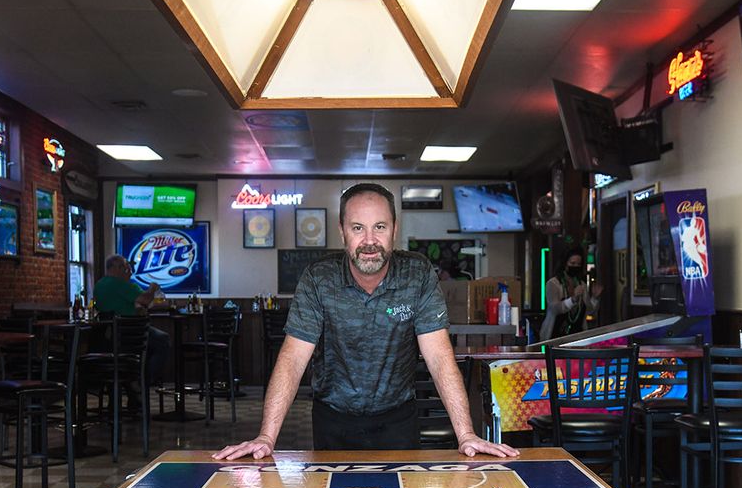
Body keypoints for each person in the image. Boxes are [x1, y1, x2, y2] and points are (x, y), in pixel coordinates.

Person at [213, 183, 517, 461]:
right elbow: (293, 358)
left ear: (394, 230)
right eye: (358, 228)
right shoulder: (319, 278)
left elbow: (439, 356)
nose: (369, 240)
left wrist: (466, 434)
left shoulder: (418, 274)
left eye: (379, 227)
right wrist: (267, 437)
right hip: (333, 419)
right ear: (342, 232)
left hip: (399, 420)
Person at [93, 254, 170, 407]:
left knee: (147, 350)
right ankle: (140, 383)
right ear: (115, 268)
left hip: (108, 339)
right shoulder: (119, 284)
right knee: (163, 340)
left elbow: (122, 305)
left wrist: (138, 307)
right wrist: (153, 288)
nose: (127, 270)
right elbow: (146, 300)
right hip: (130, 334)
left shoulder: (100, 284)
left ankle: (133, 385)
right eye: (124, 267)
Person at [539, 248, 602, 342]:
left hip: (578, 336)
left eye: (578, 264)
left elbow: (588, 311)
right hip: (555, 335)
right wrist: (573, 299)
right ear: (565, 263)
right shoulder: (553, 284)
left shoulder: (581, 285)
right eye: (572, 263)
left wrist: (595, 298)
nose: (575, 266)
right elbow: (555, 308)